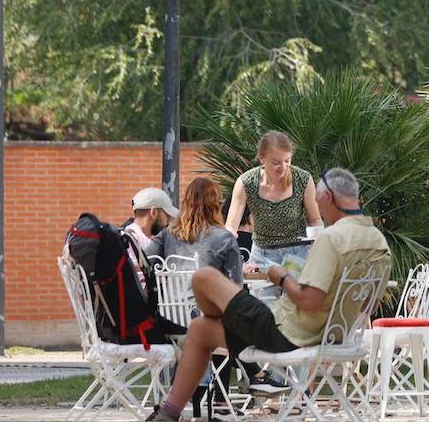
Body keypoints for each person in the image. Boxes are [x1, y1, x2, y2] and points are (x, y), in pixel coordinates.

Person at [143, 168, 389, 422]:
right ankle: (172, 413)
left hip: (288, 333)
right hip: (337, 336)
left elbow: (309, 301)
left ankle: (174, 411)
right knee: (201, 328)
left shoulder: (331, 240)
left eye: (318, 200)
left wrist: (281, 276)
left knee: (204, 279)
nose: (315, 207)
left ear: (328, 198)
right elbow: (369, 305)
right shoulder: (378, 244)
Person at [224, 131, 322, 268]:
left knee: (295, 290)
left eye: (287, 161)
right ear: (262, 158)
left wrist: (318, 241)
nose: (283, 167)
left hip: (297, 254)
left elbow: (315, 219)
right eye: (276, 162)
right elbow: (231, 225)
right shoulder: (246, 182)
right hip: (262, 254)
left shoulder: (303, 179)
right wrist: (227, 237)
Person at [146, 178, 242, 283]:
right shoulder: (224, 238)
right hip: (209, 298)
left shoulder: (168, 233)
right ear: (216, 206)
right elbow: (236, 281)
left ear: (186, 204)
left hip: (174, 298)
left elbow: (144, 259)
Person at [123, 187, 179, 252]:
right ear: (154, 212)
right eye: (167, 216)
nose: (168, 221)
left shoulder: (127, 235)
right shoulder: (144, 244)